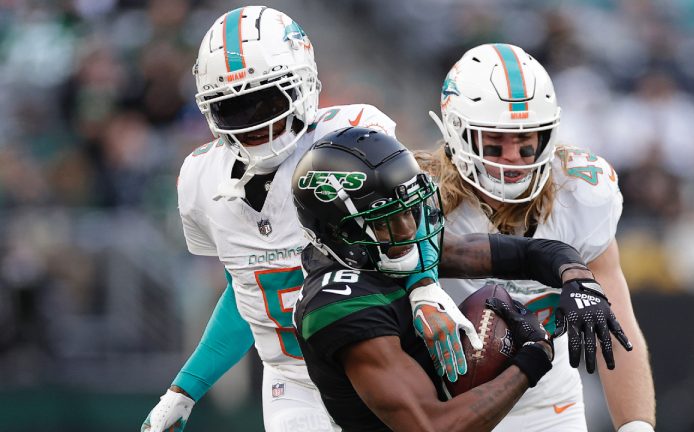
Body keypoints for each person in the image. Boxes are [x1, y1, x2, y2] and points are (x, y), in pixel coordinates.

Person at [141, 6, 480, 432]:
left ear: (302, 84)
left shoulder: (348, 138)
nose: (255, 124)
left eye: (267, 101)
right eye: (233, 108)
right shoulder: (199, 179)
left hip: (379, 359)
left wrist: (424, 287)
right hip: (292, 383)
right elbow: (248, 295)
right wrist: (184, 389)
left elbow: (409, 223)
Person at [292, 126, 627, 431]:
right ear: (339, 232)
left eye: (409, 209)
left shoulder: (383, 247)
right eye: (384, 220)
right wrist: (535, 356)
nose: (408, 229)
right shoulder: (340, 306)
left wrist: (579, 279)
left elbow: (529, 254)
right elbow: (434, 428)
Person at [418, 43, 656, 431]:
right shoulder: (419, 199)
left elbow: (616, 327)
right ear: (457, 133)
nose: (513, 156)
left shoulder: (580, 194)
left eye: (526, 140)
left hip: (544, 400)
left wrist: (636, 426)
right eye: (495, 140)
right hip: (440, 399)